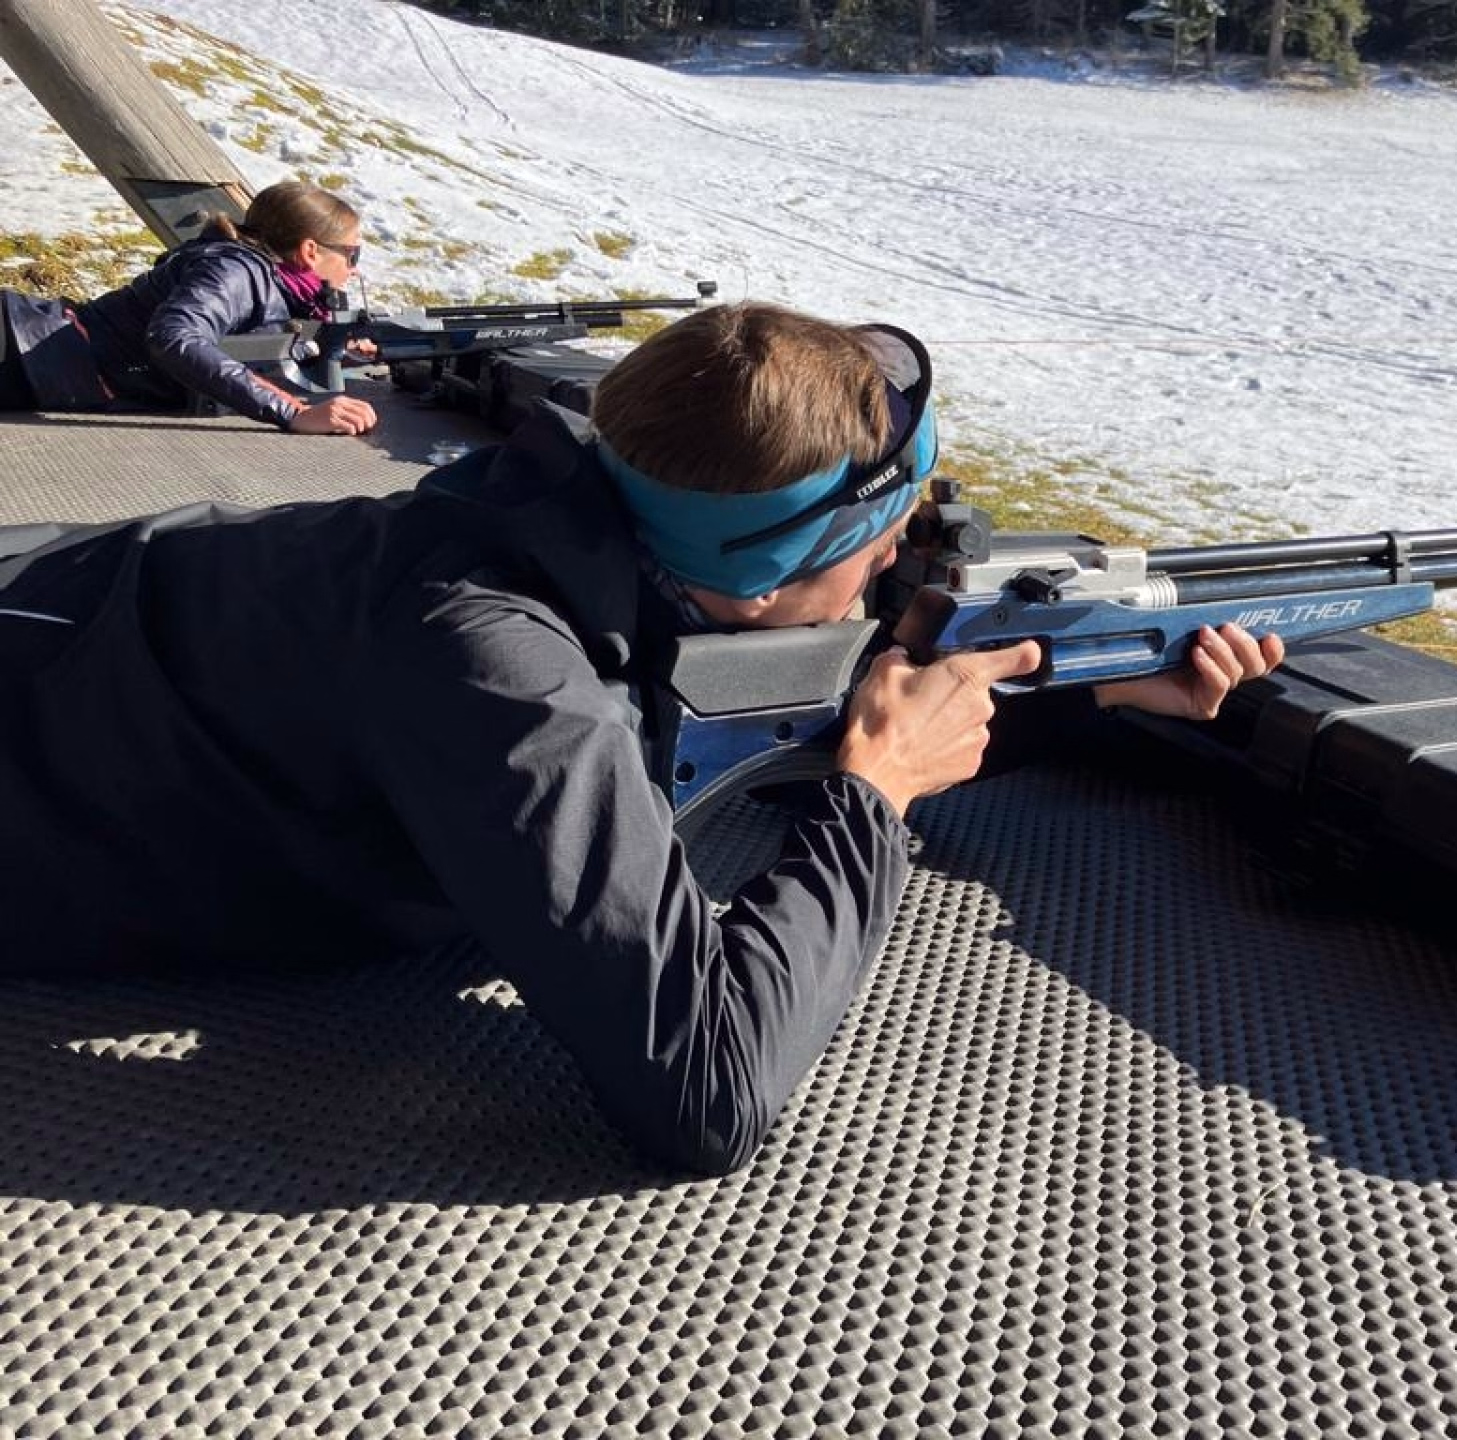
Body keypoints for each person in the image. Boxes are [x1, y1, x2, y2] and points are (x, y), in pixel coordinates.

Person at [0, 302, 1281, 1176]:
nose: (906, 560)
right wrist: (872, 797)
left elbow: (787, 677)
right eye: (881, 543)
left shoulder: (574, 518)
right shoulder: (498, 668)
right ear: (766, 573)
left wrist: (1093, 685)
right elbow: (702, 1092)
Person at [0, 179, 378, 435]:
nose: (355, 266)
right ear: (311, 251)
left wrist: (331, 351)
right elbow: (174, 337)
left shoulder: (264, 278)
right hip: (23, 354)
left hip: (38, 358)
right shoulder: (236, 270)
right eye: (352, 252)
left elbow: (238, 343)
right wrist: (293, 412)